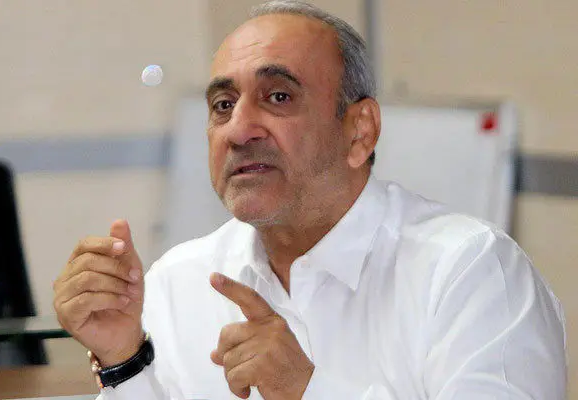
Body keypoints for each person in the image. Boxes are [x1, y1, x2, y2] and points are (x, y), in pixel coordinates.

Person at [53, 1, 567, 399]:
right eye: (223, 105)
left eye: (279, 97)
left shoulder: (470, 273)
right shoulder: (179, 281)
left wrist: (307, 390)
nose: (239, 130)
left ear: (359, 131)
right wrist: (123, 360)